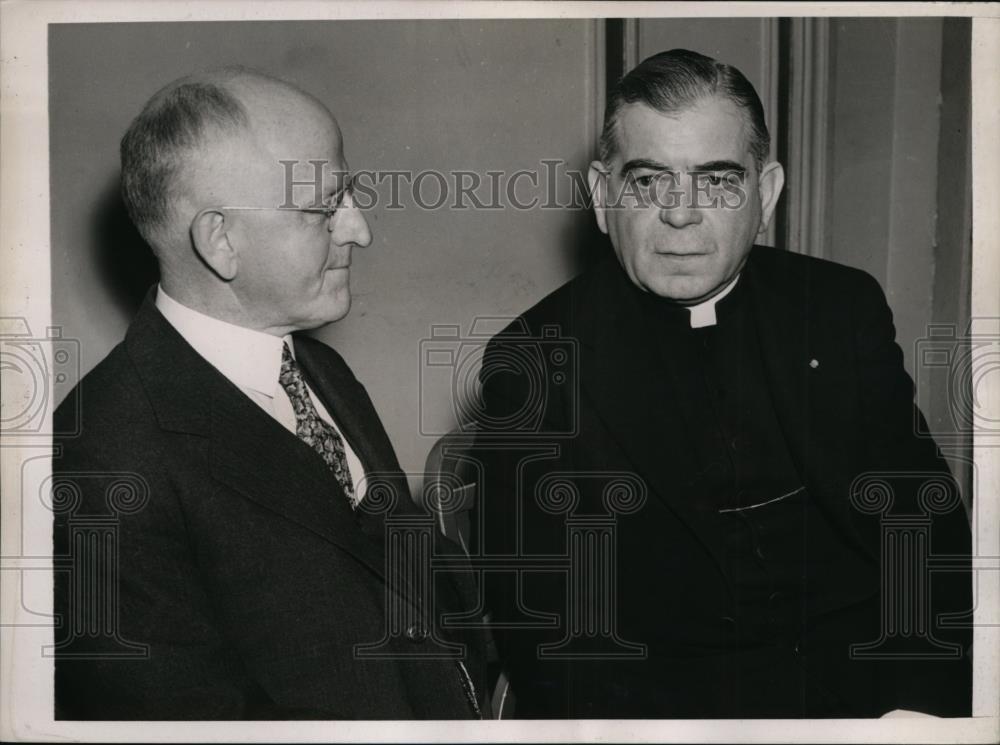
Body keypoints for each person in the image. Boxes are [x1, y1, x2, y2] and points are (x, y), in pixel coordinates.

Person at [475, 49, 972, 718]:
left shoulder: (838, 307)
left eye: (717, 181)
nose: (681, 215)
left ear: (764, 194)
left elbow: (923, 523)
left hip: (871, 696)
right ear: (602, 196)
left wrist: (920, 709)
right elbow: (551, 638)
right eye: (649, 180)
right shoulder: (533, 359)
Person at [52, 68, 486, 719]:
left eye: (352, 196)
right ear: (220, 240)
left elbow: (408, 588)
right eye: (323, 208)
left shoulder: (323, 372)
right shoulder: (103, 453)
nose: (359, 231)